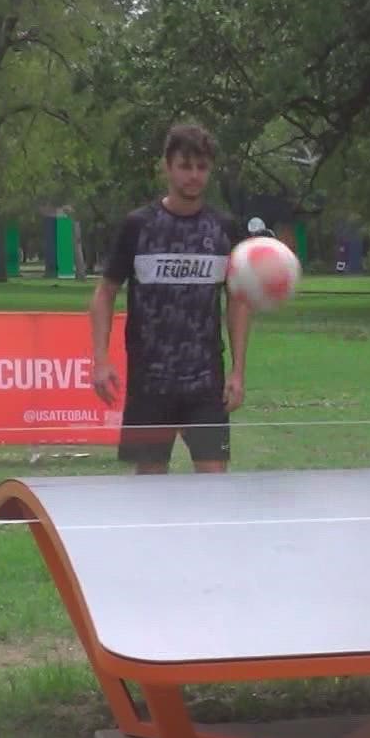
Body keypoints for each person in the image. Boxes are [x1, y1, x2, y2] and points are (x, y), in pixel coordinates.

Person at [90, 122, 253, 474]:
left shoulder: (224, 228)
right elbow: (105, 293)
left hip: (206, 381)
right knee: (150, 491)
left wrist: (238, 372)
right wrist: (100, 361)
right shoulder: (139, 225)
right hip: (150, 381)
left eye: (202, 167)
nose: (193, 176)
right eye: (185, 166)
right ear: (167, 166)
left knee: (214, 484)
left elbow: (238, 301)